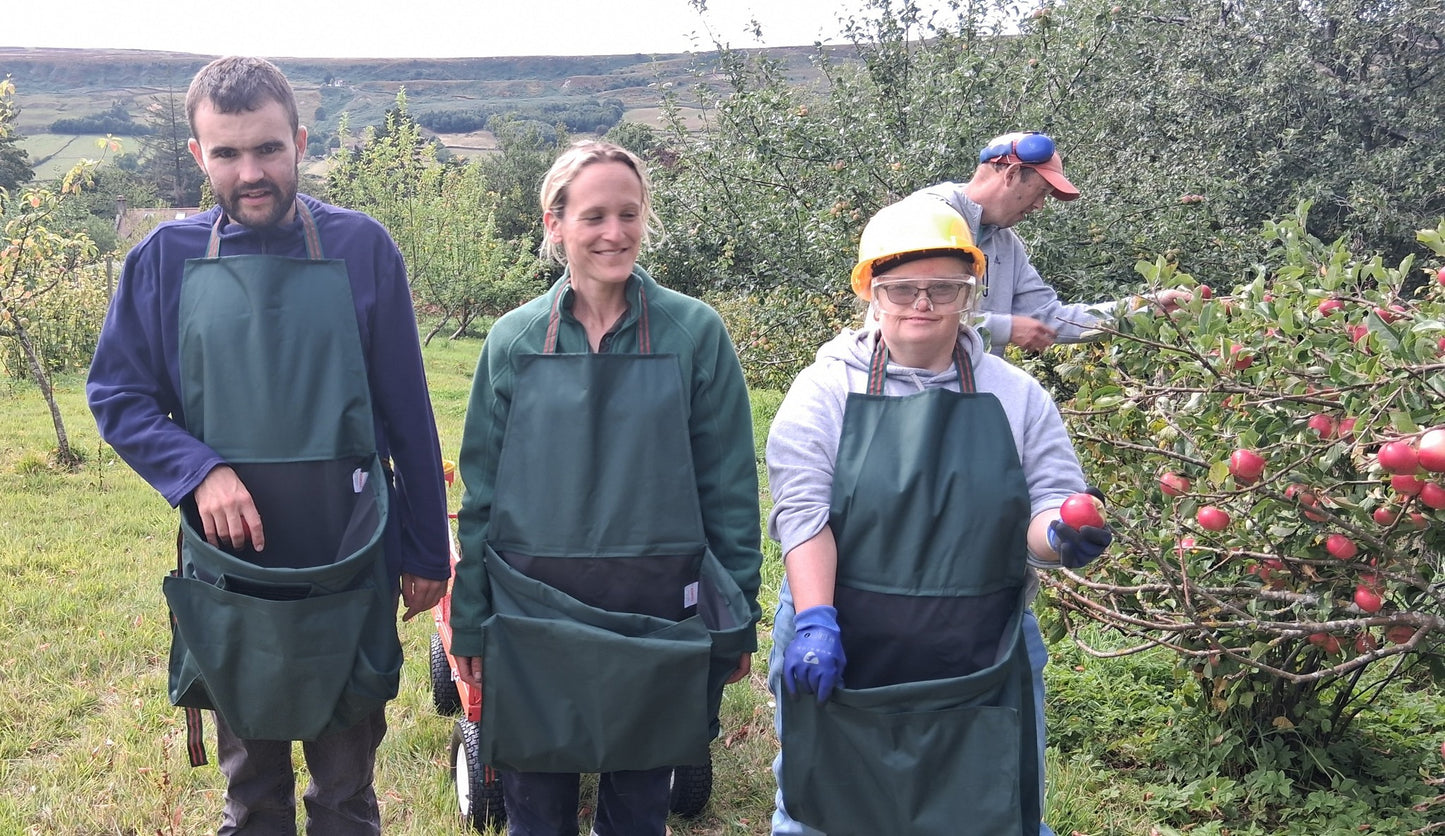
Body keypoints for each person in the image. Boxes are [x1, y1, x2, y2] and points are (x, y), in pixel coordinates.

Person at [86, 56, 449, 835]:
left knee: (345, 789)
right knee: (251, 790)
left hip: (351, 557)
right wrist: (198, 471)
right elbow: (116, 394)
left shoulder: (363, 248)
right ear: (197, 155)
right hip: (229, 568)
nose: (251, 172)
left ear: (300, 141)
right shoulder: (163, 260)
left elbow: (408, 414)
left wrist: (427, 549)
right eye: (227, 153)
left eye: (268, 149)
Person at [765, 198, 1112, 835]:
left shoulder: (1017, 396)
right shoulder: (824, 390)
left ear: (970, 295)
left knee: (992, 808)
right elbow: (803, 513)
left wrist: (1060, 537)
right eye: (901, 289)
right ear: (871, 292)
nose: (921, 304)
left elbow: (1042, 511)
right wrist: (815, 619)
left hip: (980, 646)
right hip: (842, 639)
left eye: (944, 289)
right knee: (822, 807)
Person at [449, 140, 763, 836]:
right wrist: (470, 618)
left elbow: (730, 488)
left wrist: (736, 614)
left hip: (655, 611)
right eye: (593, 216)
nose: (614, 233)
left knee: (640, 809)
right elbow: (481, 497)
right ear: (553, 223)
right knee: (535, 809)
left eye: (629, 213)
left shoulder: (693, 333)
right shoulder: (513, 340)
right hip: (534, 616)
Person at [910, 130, 1190, 355]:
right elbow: (911, 315)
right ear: (1011, 174)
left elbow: (1049, 318)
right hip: (908, 391)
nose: (1040, 205)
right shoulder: (929, 216)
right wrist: (1005, 328)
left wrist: (1144, 307)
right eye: (1041, 191)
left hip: (968, 399)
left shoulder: (1006, 244)